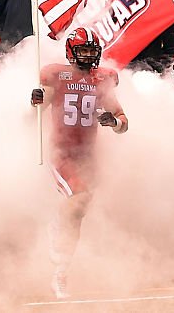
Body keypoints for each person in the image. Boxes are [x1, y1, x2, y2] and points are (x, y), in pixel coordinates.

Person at [31, 28, 127, 300]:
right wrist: (35, 103)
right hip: (62, 152)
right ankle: (56, 229)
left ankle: (61, 272)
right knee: (77, 201)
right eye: (83, 51)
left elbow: (123, 122)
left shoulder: (102, 79)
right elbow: (35, 115)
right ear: (71, 52)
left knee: (78, 212)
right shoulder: (56, 75)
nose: (88, 56)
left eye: (91, 51)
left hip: (88, 155)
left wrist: (114, 122)